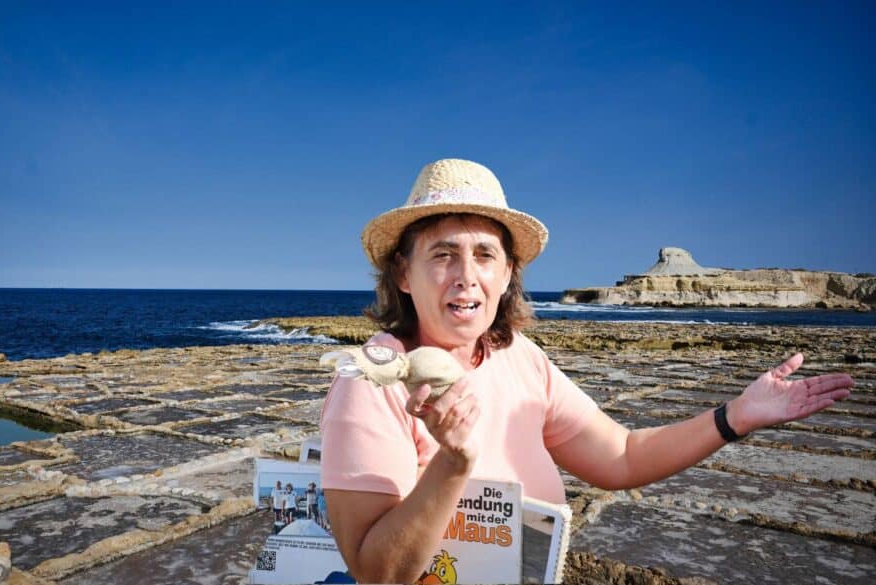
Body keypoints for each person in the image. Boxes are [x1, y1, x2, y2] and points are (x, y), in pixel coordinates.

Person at [319, 159, 855, 584]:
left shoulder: (520, 357)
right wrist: (452, 464)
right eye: (442, 254)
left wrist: (734, 417)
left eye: (485, 254)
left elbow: (621, 457)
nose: (465, 276)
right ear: (404, 274)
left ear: (507, 275)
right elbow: (376, 573)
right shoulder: (372, 379)